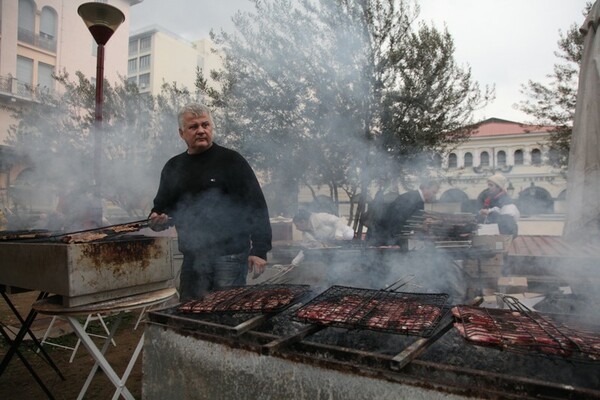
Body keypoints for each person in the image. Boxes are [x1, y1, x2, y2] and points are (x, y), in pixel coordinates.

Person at [149, 103, 272, 300]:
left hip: (230, 256)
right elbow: (162, 209)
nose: (200, 131)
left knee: (225, 315)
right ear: (182, 133)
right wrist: (156, 220)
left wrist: (260, 250)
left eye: (205, 125)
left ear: (211, 128)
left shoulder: (232, 161)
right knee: (190, 313)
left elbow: (256, 206)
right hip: (193, 258)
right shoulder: (173, 167)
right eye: (193, 127)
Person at [366, 180, 440, 246]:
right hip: (381, 237)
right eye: (433, 192)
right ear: (425, 188)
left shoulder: (417, 199)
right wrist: (419, 227)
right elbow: (397, 221)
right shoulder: (411, 198)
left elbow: (411, 220)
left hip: (386, 237)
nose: (434, 196)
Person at [478, 173, 520, 237]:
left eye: (491, 185)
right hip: (491, 235)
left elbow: (507, 222)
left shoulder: (507, 201)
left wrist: (489, 213)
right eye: (488, 185)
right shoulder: (489, 198)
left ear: (499, 187)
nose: (489, 188)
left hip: (503, 236)